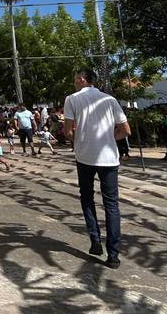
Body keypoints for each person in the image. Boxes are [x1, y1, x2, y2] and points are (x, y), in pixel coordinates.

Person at [63, 68, 130, 269]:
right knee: (112, 205)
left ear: (82, 79)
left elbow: (67, 131)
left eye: (76, 79)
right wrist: (108, 139)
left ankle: (95, 241)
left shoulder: (72, 99)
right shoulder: (110, 100)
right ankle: (114, 255)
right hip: (109, 158)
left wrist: (80, 141)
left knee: (87, 197)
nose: (74, 83)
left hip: (85, 157)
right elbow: (126, 130)